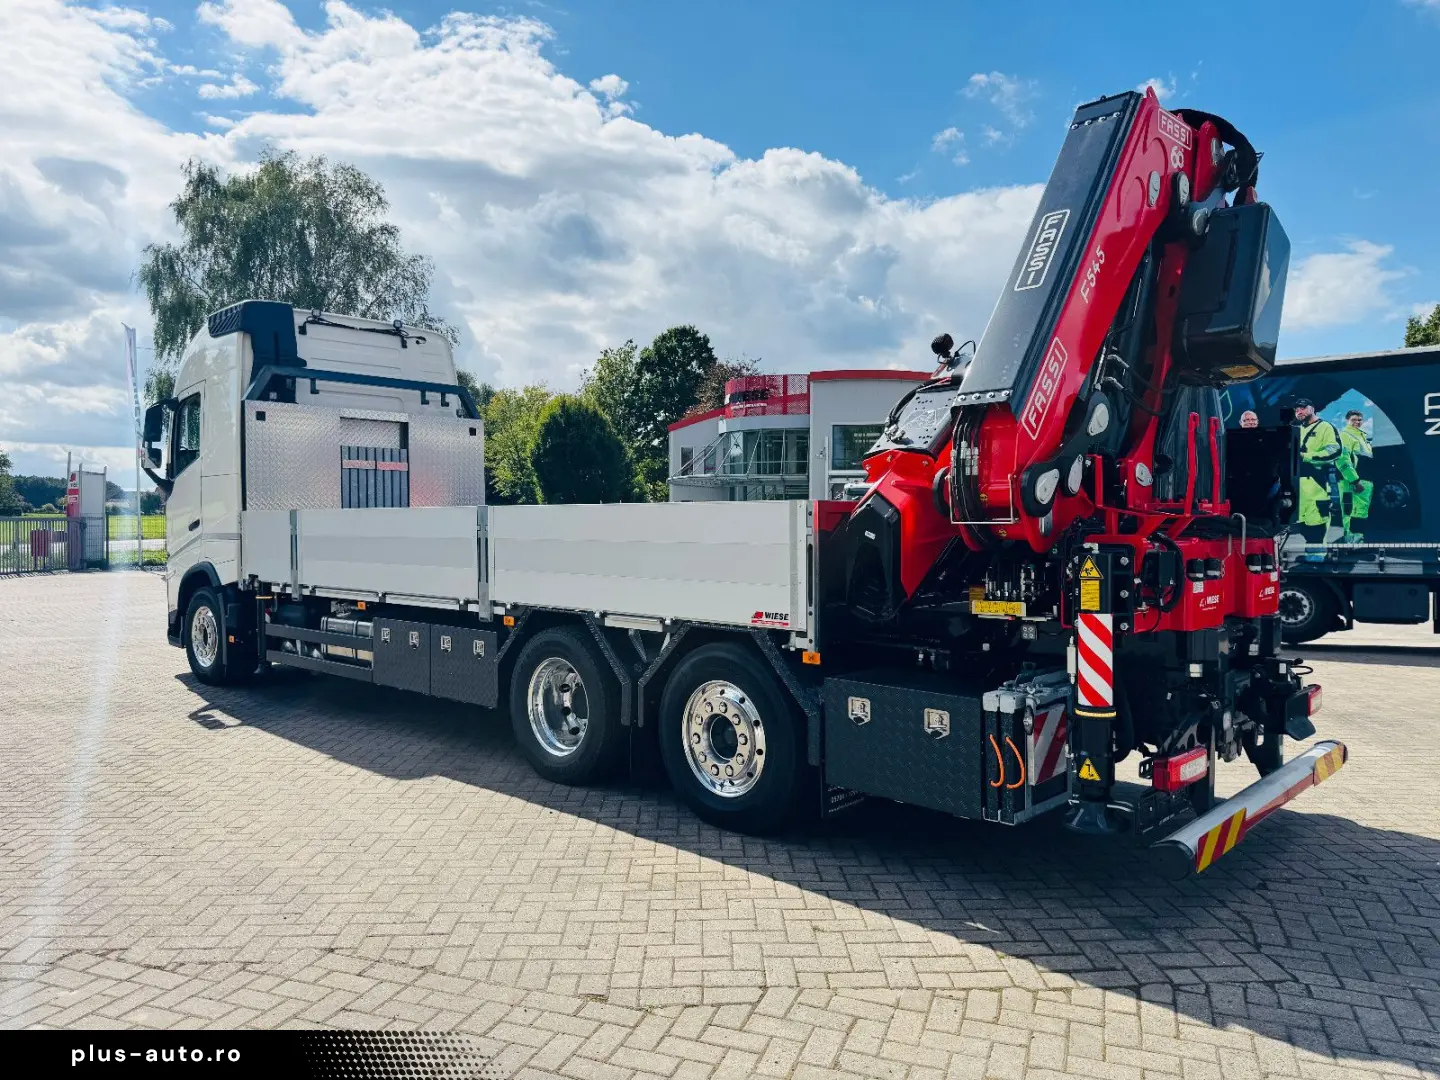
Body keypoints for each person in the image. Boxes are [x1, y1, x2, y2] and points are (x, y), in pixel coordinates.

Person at [1293, 398, 1341, 545]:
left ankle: (1317, 557)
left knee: (1317, 529)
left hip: (1316, 484)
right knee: (1302, 528)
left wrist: (1306, 456)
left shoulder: (1325, 427)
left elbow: (1335, 451)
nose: (1299, 412)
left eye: (1302, 408)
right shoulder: (1296, 429)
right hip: (1296, 485)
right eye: (1296, 410)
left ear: (1312, 408)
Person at [1336, 409, 1373, 542]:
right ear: (1347, 420)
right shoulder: (1345, 435)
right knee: (1351, 511)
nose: (1357, 422)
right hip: (1353, 482)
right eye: (1353, 420)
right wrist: (1355, 481)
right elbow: (1342, 460)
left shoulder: (1362, 437)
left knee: (1360, 511)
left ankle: (1358, 540)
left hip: (1364, 481)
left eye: (1359, 420)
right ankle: (1352, 543)